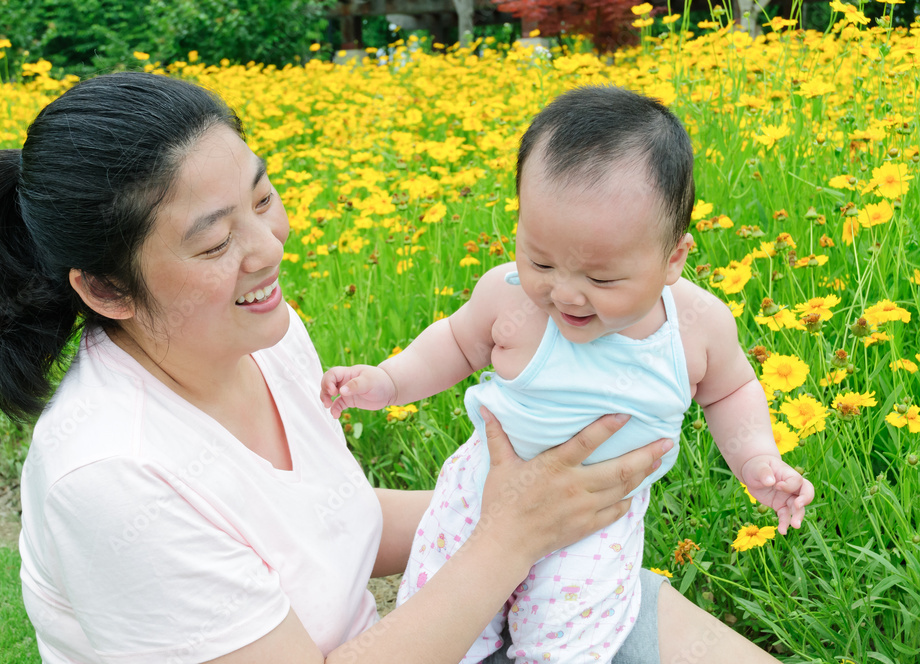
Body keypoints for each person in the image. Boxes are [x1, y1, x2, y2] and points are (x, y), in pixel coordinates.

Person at [0, 71, 787, 664]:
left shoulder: (259, 337)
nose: (268, 247)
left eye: (263, 198)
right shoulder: (109, 478)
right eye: (214, 240)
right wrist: (513, 531)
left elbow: (328, 519)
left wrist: (548, 507)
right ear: (107, 289)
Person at [321, 85, 815, 664]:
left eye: (602, 280)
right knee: (446, 616)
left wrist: (756, 457)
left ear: (674, 258)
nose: (566, 292)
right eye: (541, 260)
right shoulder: (508, 298)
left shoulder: (697, 325)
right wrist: (389, 382)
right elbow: (454, 343)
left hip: (595, 521)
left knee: (568, 642)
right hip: (477, 496)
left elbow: (730, 391)